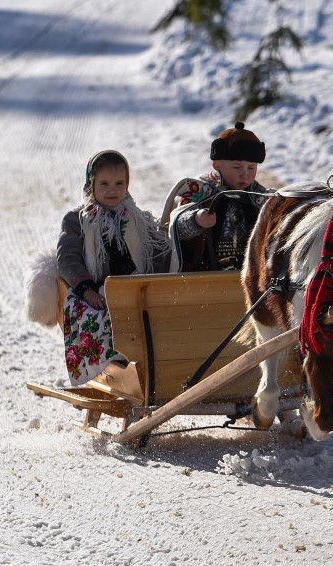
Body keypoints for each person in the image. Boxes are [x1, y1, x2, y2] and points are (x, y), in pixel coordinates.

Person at [57, 150, 170, 386]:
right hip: (96, 291)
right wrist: (86, 289)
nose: (112, 190)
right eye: (104, 183)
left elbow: (157, 251)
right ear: (91, 185)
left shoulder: (137, 218)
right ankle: (117, 369)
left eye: (120, 183)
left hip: (134, 289)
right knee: (107, 319)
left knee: (161, 317)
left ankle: (159, 370)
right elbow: (67, 258)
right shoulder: (77, 219)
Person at [165, 122, 272, 271]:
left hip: (247, 279)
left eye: (251, 167)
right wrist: (196, 220)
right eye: (236, 167)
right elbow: (176, 228)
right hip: (202, 279)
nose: (245, 174)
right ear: (216, 165)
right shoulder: (198, 189)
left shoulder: (261, 197)